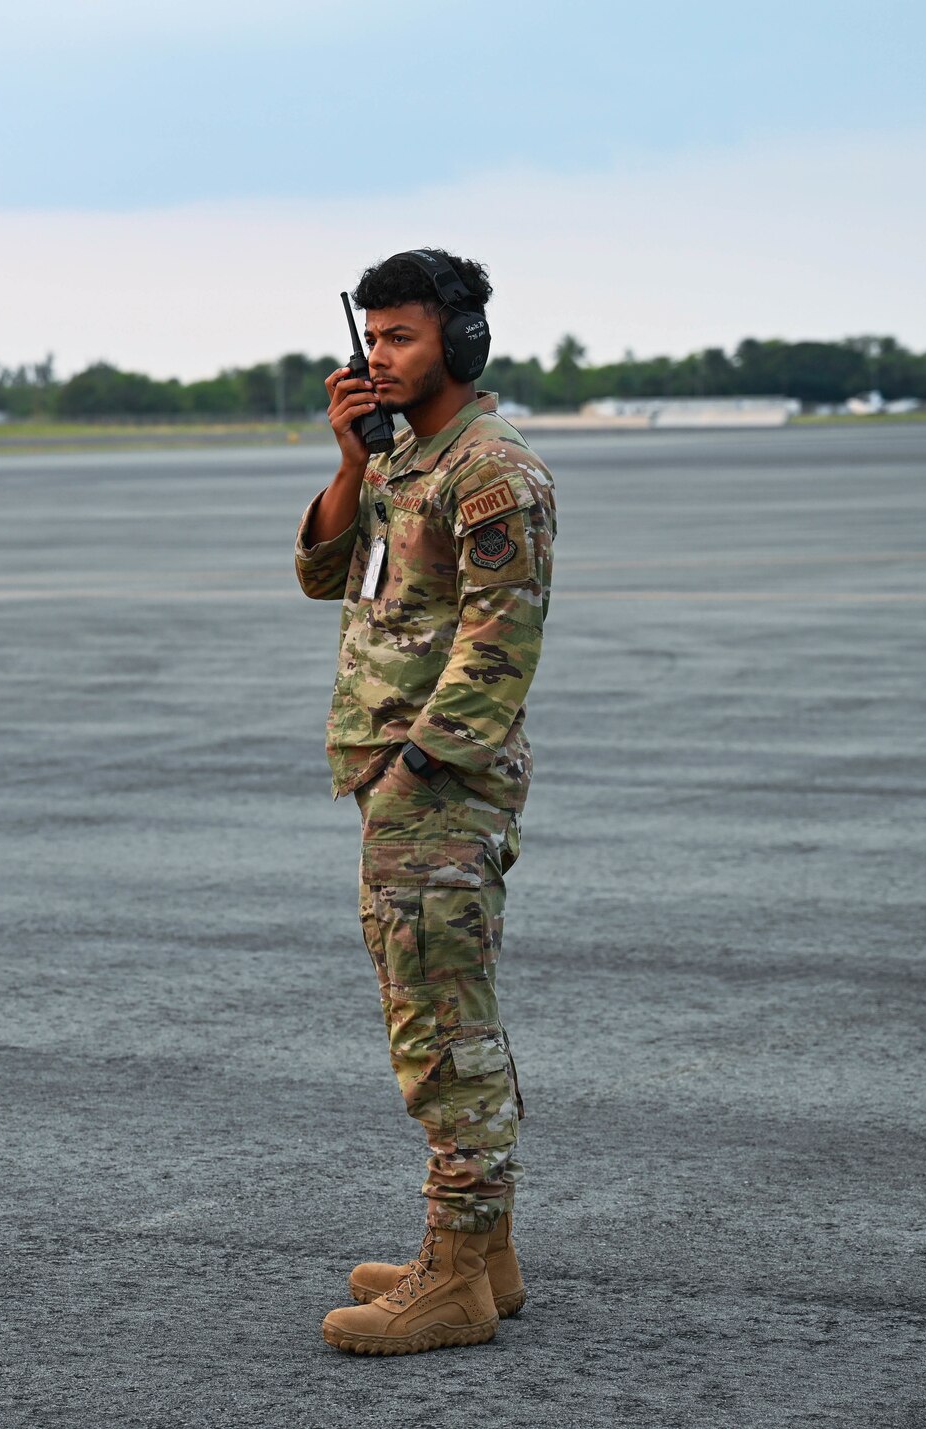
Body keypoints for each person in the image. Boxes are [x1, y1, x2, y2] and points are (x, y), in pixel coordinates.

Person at [292, 249, 556, 1355]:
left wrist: (415, 775)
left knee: (440, 1030)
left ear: (460, 339)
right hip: (399, 786)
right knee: (443, 1008)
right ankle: (481, 1255)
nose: (379, 356)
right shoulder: (403, 462)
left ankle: (450, 1278)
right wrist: (350, 459)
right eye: (373, 337)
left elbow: (500, 648)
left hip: (435, 787)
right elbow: (319, 574)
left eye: (400, 337)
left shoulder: (488, 472)